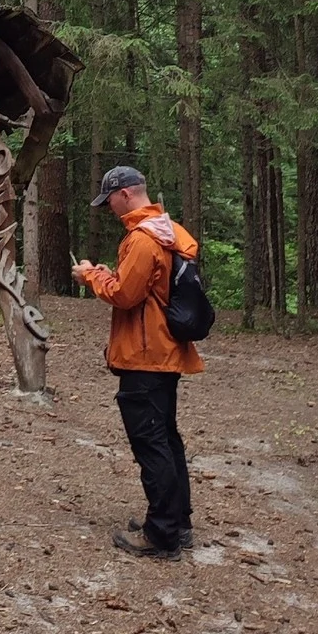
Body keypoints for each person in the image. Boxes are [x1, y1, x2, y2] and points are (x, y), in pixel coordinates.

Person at [71, 165, 204, 560]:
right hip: (163, 352)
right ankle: (177, 523)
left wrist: (92, 275)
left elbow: (126, 296)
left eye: (109, 199)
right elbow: (145, 287)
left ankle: (161, 534)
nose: (108, 206)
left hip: (144, 355)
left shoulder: (143, 239)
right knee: (167, 438)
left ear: (126, 193)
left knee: (152, 444)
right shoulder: (169, 231)